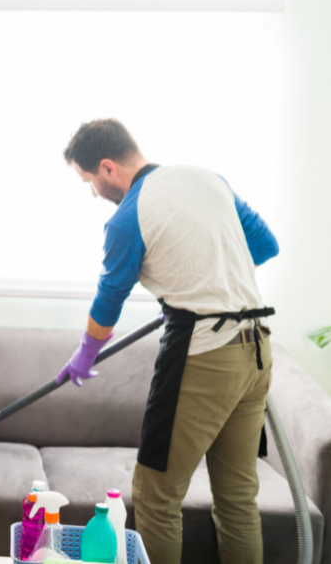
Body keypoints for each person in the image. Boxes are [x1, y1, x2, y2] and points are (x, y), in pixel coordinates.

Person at [57, 119, 279, 564]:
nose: (94, 194)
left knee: (156, 497)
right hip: (256, 350)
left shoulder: (126, 218)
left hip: (205, 357)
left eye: (89, 183)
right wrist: (204, 277)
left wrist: (85, 354)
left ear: (107, 168)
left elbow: (109, 301)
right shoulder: (206, 179)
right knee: (237, 498)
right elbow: (265, 244)